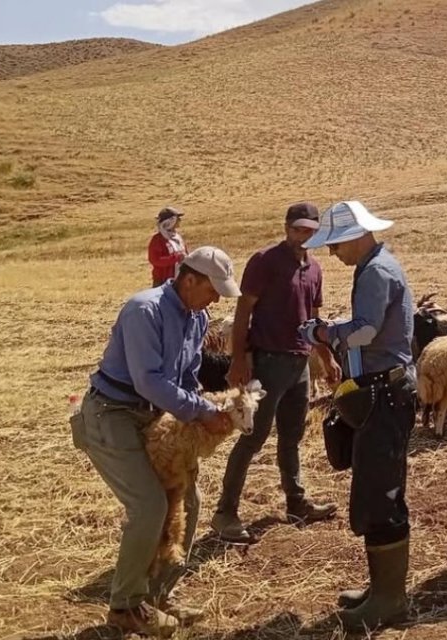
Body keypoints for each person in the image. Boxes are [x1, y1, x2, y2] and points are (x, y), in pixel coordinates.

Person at [70, 246, 242, 637]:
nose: (216, 298)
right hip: (112, 415)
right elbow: (148, 380)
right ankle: (125, 607)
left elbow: (187, 377)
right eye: (212, 289)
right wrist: (200, 411)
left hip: (153, 417)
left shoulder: (196, 318)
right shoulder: (143, 311)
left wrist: (198, 414)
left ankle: (158, 596)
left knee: (187, 500)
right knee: (149, 505)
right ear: (189, 279)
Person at [298, 201, 417, 632]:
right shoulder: (378, 267)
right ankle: (382, 589)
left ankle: (390, 599)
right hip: (385, 389)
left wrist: (322, 333)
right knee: (376, 488)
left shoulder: (374, 272)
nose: (332, 253)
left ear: (356, 236)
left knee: (380, 493)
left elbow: (365, 331)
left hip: (384, 394)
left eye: (335, 244)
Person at [211, 203, 341, 544]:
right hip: (267, 363)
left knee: (292, 435)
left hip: (299, 365)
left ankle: (296, 502)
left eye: (311, 231)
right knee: (253, 437)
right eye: (299, 229)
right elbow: (243, 311)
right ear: (286, 227)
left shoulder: (314, 270)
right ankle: (225, 512)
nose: (304, 236)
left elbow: (313, 322)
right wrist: (239, 359)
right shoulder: (264, 261)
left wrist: (326, 359)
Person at [149, 206, 188, 287]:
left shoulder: (178, 237)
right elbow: (155, 260)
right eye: (177, 219)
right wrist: (176, 258)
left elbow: (185, 254)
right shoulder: (157, 240)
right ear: (170, 221)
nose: (180, 221)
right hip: (162, 282)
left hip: (178, 280)